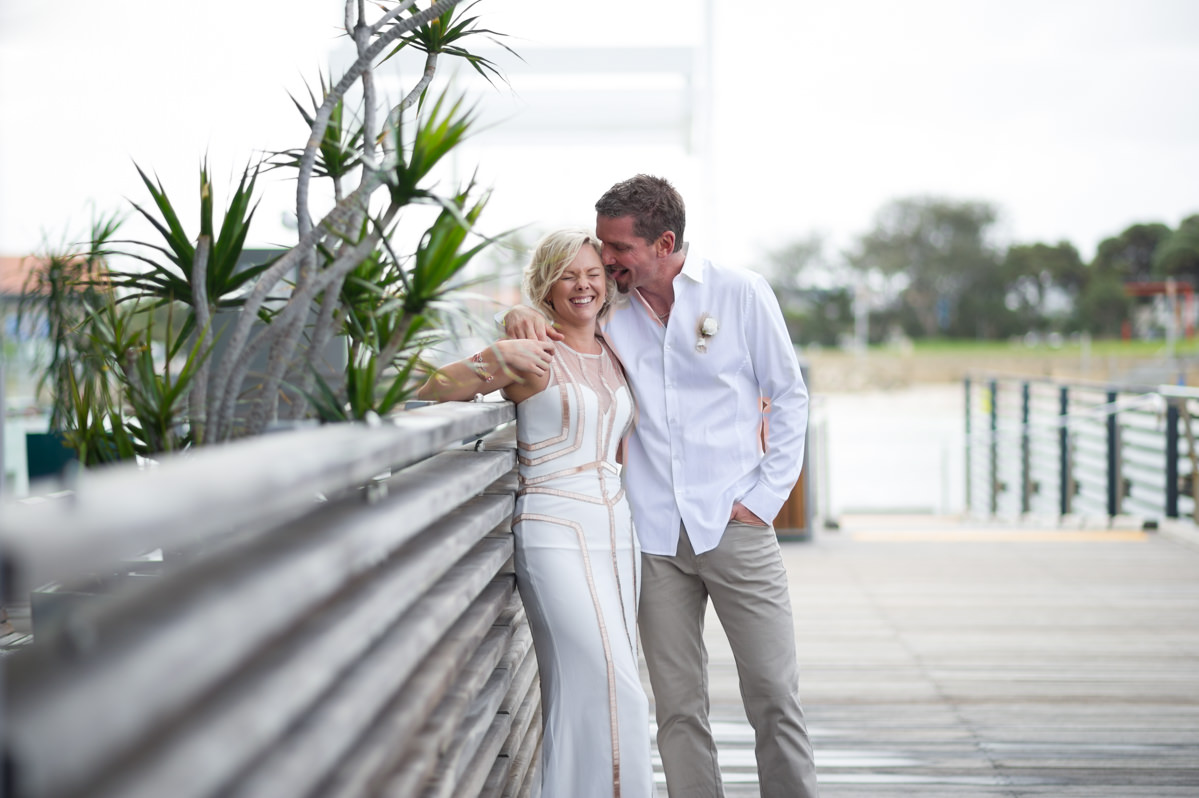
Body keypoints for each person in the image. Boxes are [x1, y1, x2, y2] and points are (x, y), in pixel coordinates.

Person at [504, 175, 819, 798]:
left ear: (663, 241)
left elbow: (789, 397)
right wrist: (517, 313)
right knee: (677, 708)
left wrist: (763, 501)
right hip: (649, 535)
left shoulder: (740, 293)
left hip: (734, 524)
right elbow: (555, 315)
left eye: (616, 248)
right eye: (602, 246)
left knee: (774, 695)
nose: (605, 261)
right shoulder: (611, 310)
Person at [418, 230, 657, 798]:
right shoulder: (531, 352)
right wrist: (492, 356)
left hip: (618, 534)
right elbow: (433, 389)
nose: (583, 285)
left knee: (584, 687)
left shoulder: (616, 345)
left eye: (594, 274)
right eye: (569, 275)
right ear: (547, 285)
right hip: (553, 529)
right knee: (612, 684)